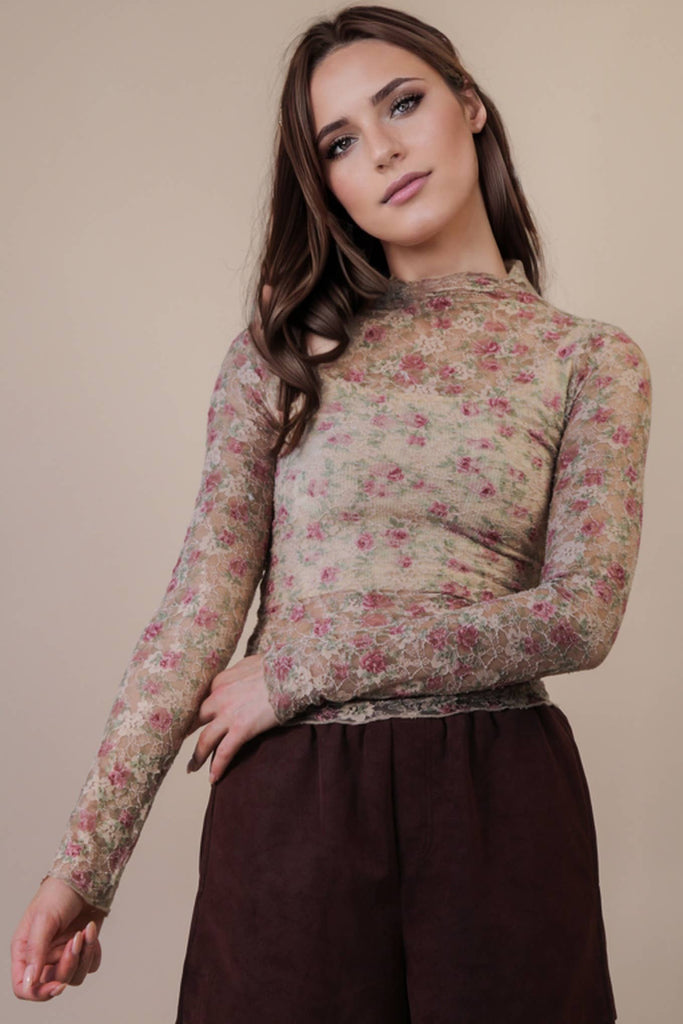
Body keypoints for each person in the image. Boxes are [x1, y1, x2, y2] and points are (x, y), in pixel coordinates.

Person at [11, 4, 651, 1021]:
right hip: (291, 809)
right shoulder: (280, 358)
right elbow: (196, 614)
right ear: (326, 185)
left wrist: (305, 669)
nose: (382, 149)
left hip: (496, 800)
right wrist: (84, 866)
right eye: (339, 143)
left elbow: (580, 616)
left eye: (402, 104)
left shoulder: (589, 359)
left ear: (469, 106)